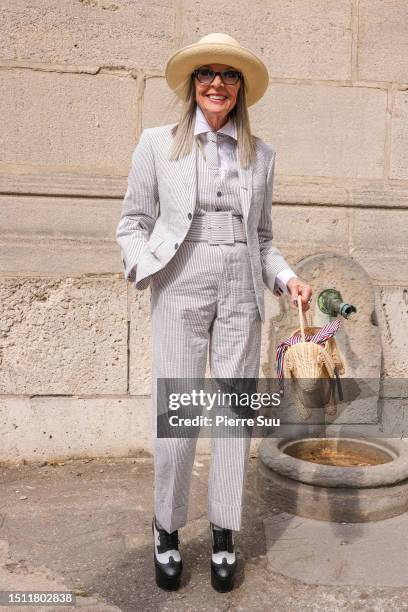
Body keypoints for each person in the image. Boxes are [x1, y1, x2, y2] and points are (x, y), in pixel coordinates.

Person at [116, 32, 312, 593]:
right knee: (178, 418)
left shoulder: (262, 155)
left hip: (242, 287)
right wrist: (145, 266)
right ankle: (167, 529)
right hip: (181, 279)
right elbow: (131, 221)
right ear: (194, 85)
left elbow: (264, 237)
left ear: (240, 89)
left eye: (228, 76)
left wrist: (286, 277)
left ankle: (225, 532)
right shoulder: (158, 144)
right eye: (207, 75)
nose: (217, 84)